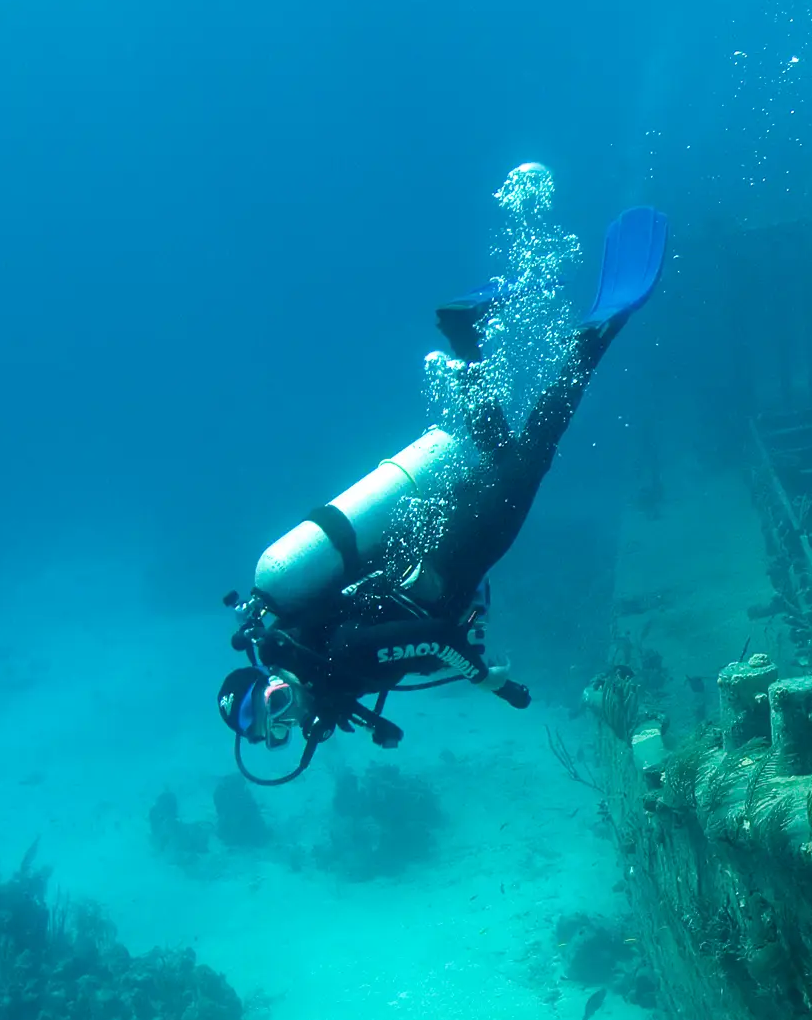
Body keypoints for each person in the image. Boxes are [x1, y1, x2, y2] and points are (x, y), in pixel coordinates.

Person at [217, 203, 667, 778]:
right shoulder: (315, 655)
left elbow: (429, 637)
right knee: (509, 457)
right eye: (272, 734)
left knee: (531, 457)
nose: (286, 722)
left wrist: (488, 683)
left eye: (275, 704)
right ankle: (467, 341)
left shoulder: (337, 654)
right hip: (435, 539)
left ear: (274, 680)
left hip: (457, 550)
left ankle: (594, 336)